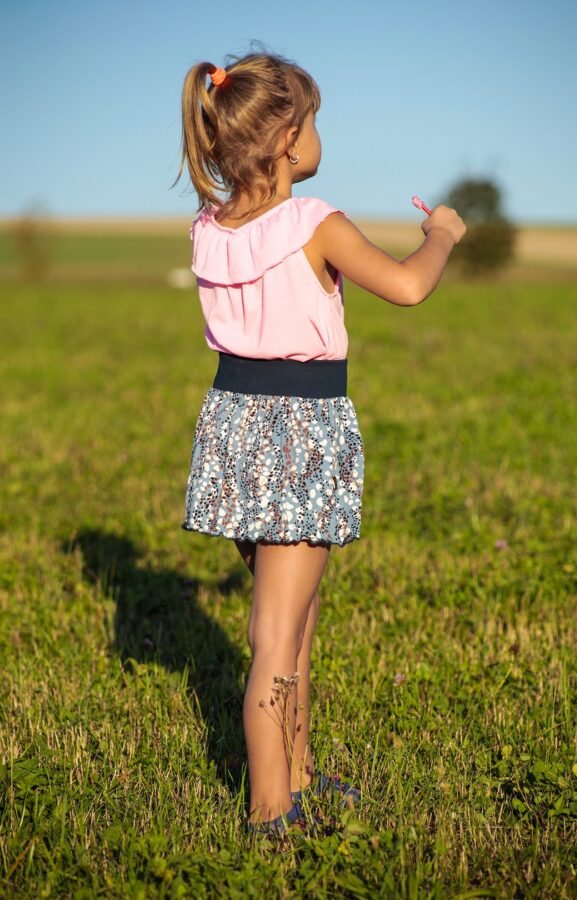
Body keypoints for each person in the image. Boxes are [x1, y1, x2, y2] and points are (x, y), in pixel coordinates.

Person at [172, 49, 466, 837]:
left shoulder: (210, 227)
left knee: (292, 624)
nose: (318, 136)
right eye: (313, 121)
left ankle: (299, 772)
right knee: (278, 636)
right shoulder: (314, 222)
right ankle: (272, 813)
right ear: (287, 141)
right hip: (299, 434)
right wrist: (441, 233)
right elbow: (407, 286)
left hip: (234, 430)